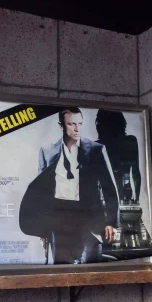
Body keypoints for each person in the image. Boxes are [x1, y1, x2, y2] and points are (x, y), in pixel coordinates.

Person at [19, 107, 119, 264]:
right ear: (61, 126)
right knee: (62, 268)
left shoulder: (96, 150)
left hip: (89, 220)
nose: (77, 129)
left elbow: (109, 189)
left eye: (80, 123)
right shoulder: (47, 152)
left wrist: (111, 223)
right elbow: (41, 195)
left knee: (91, 268)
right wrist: (43, 231)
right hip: (58, 221)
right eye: (72, 124)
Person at [94, 110, 141, 204]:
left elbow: (94, 178)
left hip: (107, 195)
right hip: (123, 193)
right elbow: (135, 173)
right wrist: (136, 199)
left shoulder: (96, 146)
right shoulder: (130, 141)